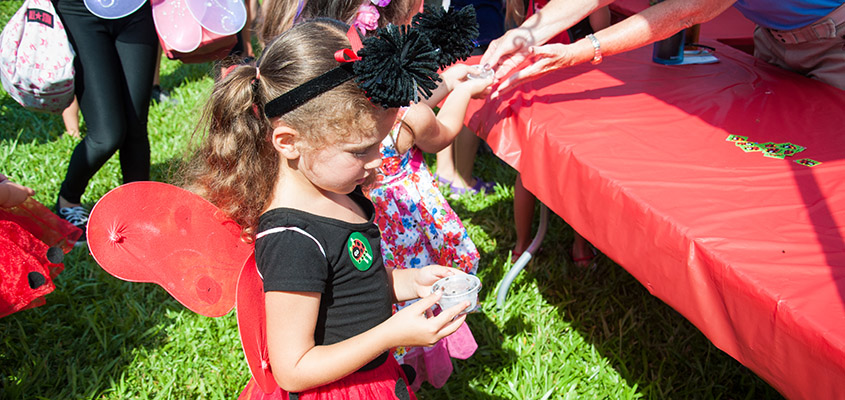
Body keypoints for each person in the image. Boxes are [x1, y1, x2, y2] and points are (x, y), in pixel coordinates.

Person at [181, 19, 472, 398]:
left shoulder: (340, 194)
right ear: (289, 142)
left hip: (373, 377)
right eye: (361, 150)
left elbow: (352, 284)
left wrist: (405, 282)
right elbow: (293, 369)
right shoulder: (292, 239)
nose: (378, 160)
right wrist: (391, 334)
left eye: (380, 144)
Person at [364, 62, 492, 390]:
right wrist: (462, 90)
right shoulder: (411, 114)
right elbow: (443, 134)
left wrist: (447, 81)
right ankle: (415, 361)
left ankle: (393, 360)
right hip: (405, 219)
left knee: (384, 284)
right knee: (421, 281)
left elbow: (417, 100)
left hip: (369, 216)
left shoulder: (352, 101)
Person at [481, 0, 845, 92]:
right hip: (774, 37)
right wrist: (525, 34)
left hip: (835, 41)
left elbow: (686, 11)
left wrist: (582, 49)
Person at [506, 0, 608, 266]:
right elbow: (602, 29)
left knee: (527, 168)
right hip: (574, 82)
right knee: (577, 167)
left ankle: (522, 245)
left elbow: (518, 23)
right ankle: (581, 248)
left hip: (534, 82)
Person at [54, 0, 159, 245]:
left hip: (133, 10)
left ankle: (138, 211)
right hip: (79, 11)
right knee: (106, 135)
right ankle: (68, 199)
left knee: (135, 125)